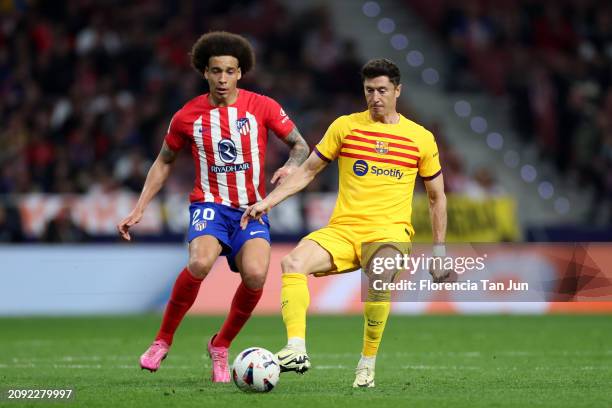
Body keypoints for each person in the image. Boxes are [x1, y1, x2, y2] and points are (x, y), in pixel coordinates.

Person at [241, 58, 449, 388]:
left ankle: (366, 364)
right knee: (293, 261)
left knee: (379, 276)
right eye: (369, 90)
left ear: (398, 90)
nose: (375, 97)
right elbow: (308, 171)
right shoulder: (345, 127)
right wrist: (266, 202)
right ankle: (296, 347)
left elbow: (437, 198)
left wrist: (439, 249)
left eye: (382, 90)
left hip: (390, 232)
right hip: (343, 229)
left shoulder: (420, 138)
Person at [117, 31, 309, 383]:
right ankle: (162, 340)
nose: (223, 78)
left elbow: (300, 145)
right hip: (210, 205)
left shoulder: (262, 106)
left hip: (251, 209)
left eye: (230, 71)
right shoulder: (187, 116)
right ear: (204, 72)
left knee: (255, 275)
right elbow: (163, 161)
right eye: (216, 71)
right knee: (200, 262)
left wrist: (292, 166)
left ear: (241, 73)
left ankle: (220, 346)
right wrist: (140, 207)